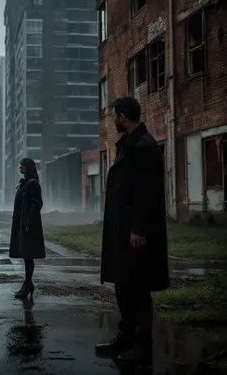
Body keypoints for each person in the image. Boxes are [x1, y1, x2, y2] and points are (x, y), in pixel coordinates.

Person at [96, 96, 169, 363]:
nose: (112, 119)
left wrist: (138, 229)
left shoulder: (144, 146)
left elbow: (146, 193)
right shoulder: (129, 143)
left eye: (114, 115)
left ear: (122, 117)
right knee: (123, 284)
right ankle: (125, 336)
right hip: (122, 229)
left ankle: (142, 344)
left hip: (135, 232)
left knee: (138, 287)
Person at [9, 157, 45, 300]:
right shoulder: (24, 183)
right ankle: (27, 284)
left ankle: (28, 284)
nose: (20, 169)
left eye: (22, 166)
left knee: (28, 255)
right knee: (26, 256)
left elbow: (36, 205)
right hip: (23, 224)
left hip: (28, 226)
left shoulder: (32, 184)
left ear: (28, 168)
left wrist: (28, 223)